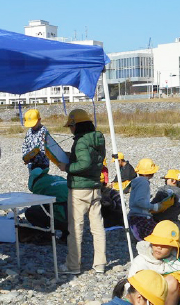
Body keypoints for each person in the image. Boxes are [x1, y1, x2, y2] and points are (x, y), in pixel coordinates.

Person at [57, 109, 106, 274]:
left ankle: (73, 266)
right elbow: (91, 160)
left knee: (76, 229)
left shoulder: (81, 142)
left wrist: (67, 167)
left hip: (79, 190)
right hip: (95, 188)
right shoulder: (97, 138)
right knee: (97, 228)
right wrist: (72, 156)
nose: (70, 129)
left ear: (76, 125)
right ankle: (100, 264)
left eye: (71, 126)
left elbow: (84, 163)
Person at [127, 221, 180, 305]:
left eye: (164, 245)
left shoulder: (177, 262)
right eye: (156, 243)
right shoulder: (141, 261)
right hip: (145, 300)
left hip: (170, 301)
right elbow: (130, 288)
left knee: (173, 281)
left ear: (172, 248)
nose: (159, 247)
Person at [24, 167, 69, 242]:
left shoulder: (38, 184)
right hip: (77, 215)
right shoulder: (57, 177)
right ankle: (68, 235)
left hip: (63, 217)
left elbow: (36, 205)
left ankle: (46, 235)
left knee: (31, 212)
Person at [128, 158, 160, 241]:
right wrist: (154, 207)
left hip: (134, 216)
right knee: (159, 233)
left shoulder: (137, 181)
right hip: (140, 217)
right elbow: (139, 201)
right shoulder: (143, 183)